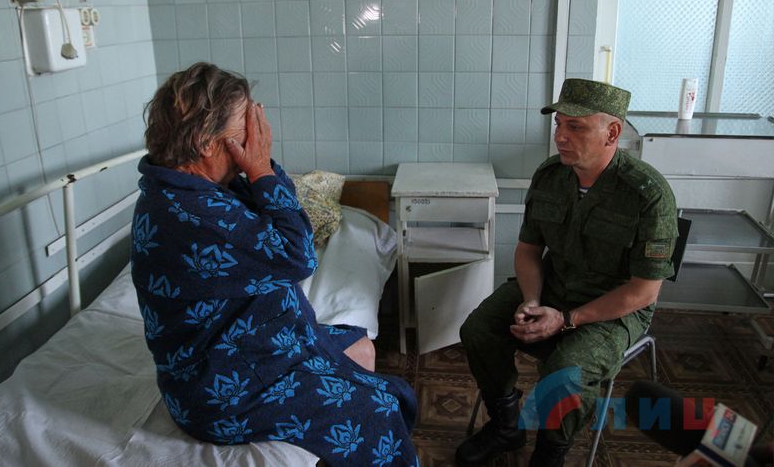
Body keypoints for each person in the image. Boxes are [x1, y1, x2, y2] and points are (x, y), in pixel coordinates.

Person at [131, 63, 418, 466]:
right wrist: (261, 167)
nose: (255, 138)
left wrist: (259, 165)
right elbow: (299, 255)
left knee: (359, 344)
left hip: (259, 344)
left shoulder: (191, 186)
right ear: (206, 143)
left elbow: (274, 201)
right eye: (244, 129)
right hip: (228, 385)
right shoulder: (193, 214)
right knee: (380, 411)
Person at [455, 79, 678, 467]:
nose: (560, 136)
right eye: (559, 124)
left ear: (612, 133)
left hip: (613, 309)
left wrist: (567, 319)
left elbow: (643, 292)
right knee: (478, 329)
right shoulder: (550, 176)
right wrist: (531, 300)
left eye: (576, 126)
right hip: (553, 286)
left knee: (565, 371)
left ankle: (550, 453)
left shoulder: (648, 194)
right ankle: (506, 426)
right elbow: (528, 250)